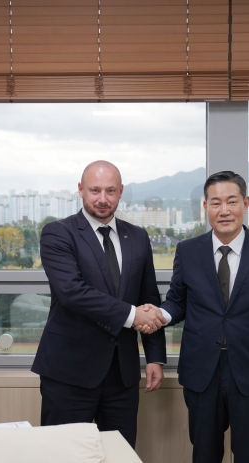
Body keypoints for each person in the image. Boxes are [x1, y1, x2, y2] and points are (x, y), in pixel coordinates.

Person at [139, 170, 249, 463]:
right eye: (215, 203)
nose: (224, 210)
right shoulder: (187, 251)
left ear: (245, 203)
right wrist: (158, 313)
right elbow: (178, 301)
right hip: (201, 372)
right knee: (204, 453)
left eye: (231, 201)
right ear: (205, 206)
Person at [31, 160, 167, 448]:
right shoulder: (58, 233)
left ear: (121, 192)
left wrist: (154, 357)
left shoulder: (138, 237)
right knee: (64, 455)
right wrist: (131, 315)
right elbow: (72, 292)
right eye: (94, 190)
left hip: (123, 376)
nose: (102, 199)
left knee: (120, 454)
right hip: (68, 374)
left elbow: (149, 298)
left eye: (110, 191)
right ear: (80, 190)